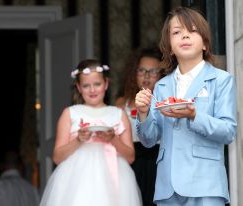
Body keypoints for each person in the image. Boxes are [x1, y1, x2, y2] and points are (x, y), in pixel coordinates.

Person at [135, 7, 237, 206]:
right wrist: (143, 113)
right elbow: (148, 140)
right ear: (170, 47)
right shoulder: (162, 86)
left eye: (192, 31)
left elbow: (228, 131)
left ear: (205, 44)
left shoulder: (221, 80)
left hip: (206, 184)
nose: (184, 36)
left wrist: (194, 115)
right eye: (176, 32)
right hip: (167, 187)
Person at [39, 59, 142, 206]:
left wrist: (113, 139)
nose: (92, 90)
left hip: (114, 178)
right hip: (77, 180)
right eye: (86, 86)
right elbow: (57, 157)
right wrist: (78, 140)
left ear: (106, 84)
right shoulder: (70, 114)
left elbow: (130, 157)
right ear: (79, 88)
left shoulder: (118, 114)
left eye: (97, 84)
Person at [115, 47, 163, 206]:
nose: (147, 76)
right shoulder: (122, 102)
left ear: (161, 74)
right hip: (130, 163)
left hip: (158, 163)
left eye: (153, 71)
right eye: (141, 70)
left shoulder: (166, 101)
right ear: (134, 73)